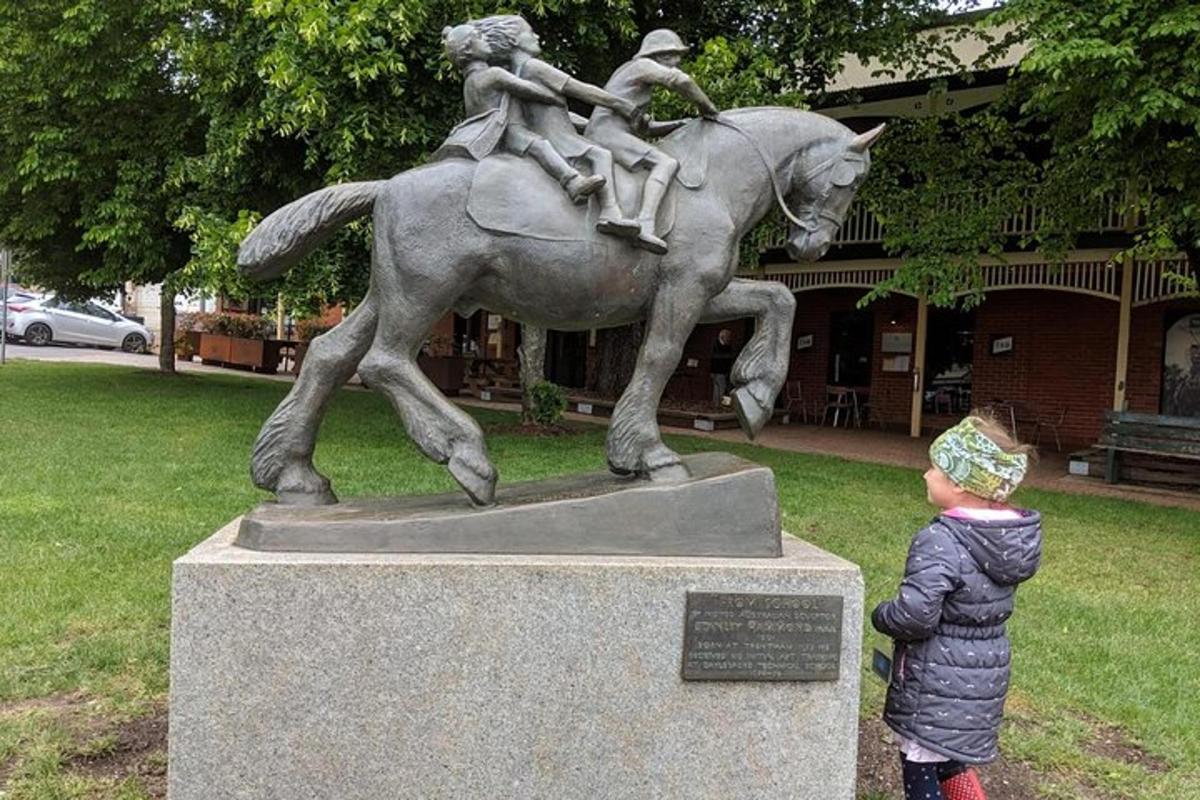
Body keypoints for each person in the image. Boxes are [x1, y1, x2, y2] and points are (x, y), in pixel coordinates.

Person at [872, 413, 1042, 800]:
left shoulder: (940, 539)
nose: (926, 475)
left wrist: (883, 614)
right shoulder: (1004, 537)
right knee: (949, 758)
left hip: (935, 679)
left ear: (962, 485)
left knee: (919, 762)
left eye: (935, 468)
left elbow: (916, 615)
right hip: (981, 676)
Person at [472, 15, 642, 238]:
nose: (536, 36)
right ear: (514, 41)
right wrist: (620, 104)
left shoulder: (516, 72)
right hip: (556, 135)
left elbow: (553, 112)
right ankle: (611, 212)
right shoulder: (534, 67)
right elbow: (578, 88)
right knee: (601, 154)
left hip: (551, 130)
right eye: (530, 32)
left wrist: (587, 122)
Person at [436, 24, 605, 204]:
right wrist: (554, 96)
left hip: (489, 130)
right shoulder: (494, 74)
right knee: (541, 146)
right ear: (469, 49)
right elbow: (528, 89)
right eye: (479, 36)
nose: (485, 39)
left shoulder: (469, 82)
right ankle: (573, 182)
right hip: (506, 130)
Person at [586, 29, 719, 253]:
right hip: (607, 133)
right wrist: (709, 109)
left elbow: (645, 129)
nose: (676, 62)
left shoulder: (636, 86)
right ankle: (646, 223)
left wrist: (680, 124)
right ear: (657, 56)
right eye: (671, 56)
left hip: (614, 133)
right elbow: (682, 81)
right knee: (666, 163)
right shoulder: (640, 67)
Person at [710, 328, 734, 407]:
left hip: (721, 371)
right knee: (720, 388)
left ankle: (717, 404)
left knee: (718, 388)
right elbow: (715, 359)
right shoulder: (719, 346)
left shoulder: (724, 346)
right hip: (720, 371)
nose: (729, 338)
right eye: (728, 337)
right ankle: (719, 404)